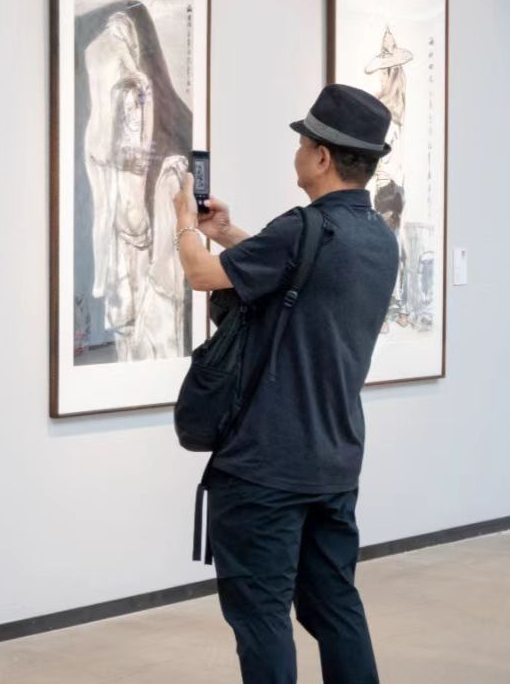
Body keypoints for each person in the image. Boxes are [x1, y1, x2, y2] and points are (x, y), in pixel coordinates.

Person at [172, 84, 400, 684]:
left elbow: (200, 275)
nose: (297, 153)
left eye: (303, 143)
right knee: (335, 606)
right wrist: (227, 233)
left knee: (261, 617)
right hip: (335, 459)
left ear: (321, 157)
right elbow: (298, 273)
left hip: (265, 466)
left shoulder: (302, 227)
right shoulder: (379, 239)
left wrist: (184, 225)